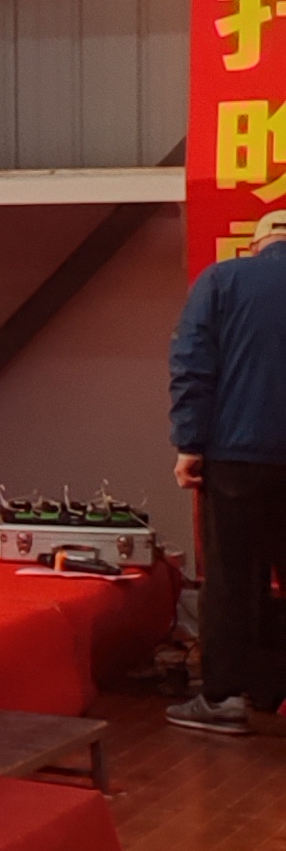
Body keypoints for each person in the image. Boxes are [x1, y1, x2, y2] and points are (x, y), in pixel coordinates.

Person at [169, 221, 286, 735]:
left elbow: (193, 364)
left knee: (232, 578)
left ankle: (223, 699)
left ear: (256, 244)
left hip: (237, 456)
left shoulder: (221, 281)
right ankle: (273, 690)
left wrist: (190, 444)